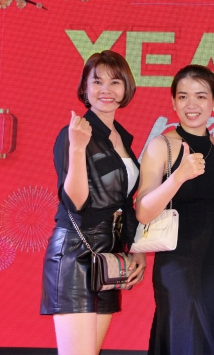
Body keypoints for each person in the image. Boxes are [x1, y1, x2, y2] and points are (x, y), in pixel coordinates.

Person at [41, 50, 146, 355]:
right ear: (85, 88)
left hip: (108, 256)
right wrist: (77, 148)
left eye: (115, 82)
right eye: (97, 81)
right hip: (76, 251)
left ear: (126, 87)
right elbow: (74, 202)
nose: (105, 90)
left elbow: (126, 203)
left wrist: (136, 248)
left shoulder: (122, 138)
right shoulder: (73, 133)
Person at [136, 65, 214, 355]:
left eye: (201, 96)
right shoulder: (162, 145)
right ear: (173, 102)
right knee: (184, 335)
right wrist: (178, 177)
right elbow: (143, 212)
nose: (192, 104)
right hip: (178, 261)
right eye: (183, 96)